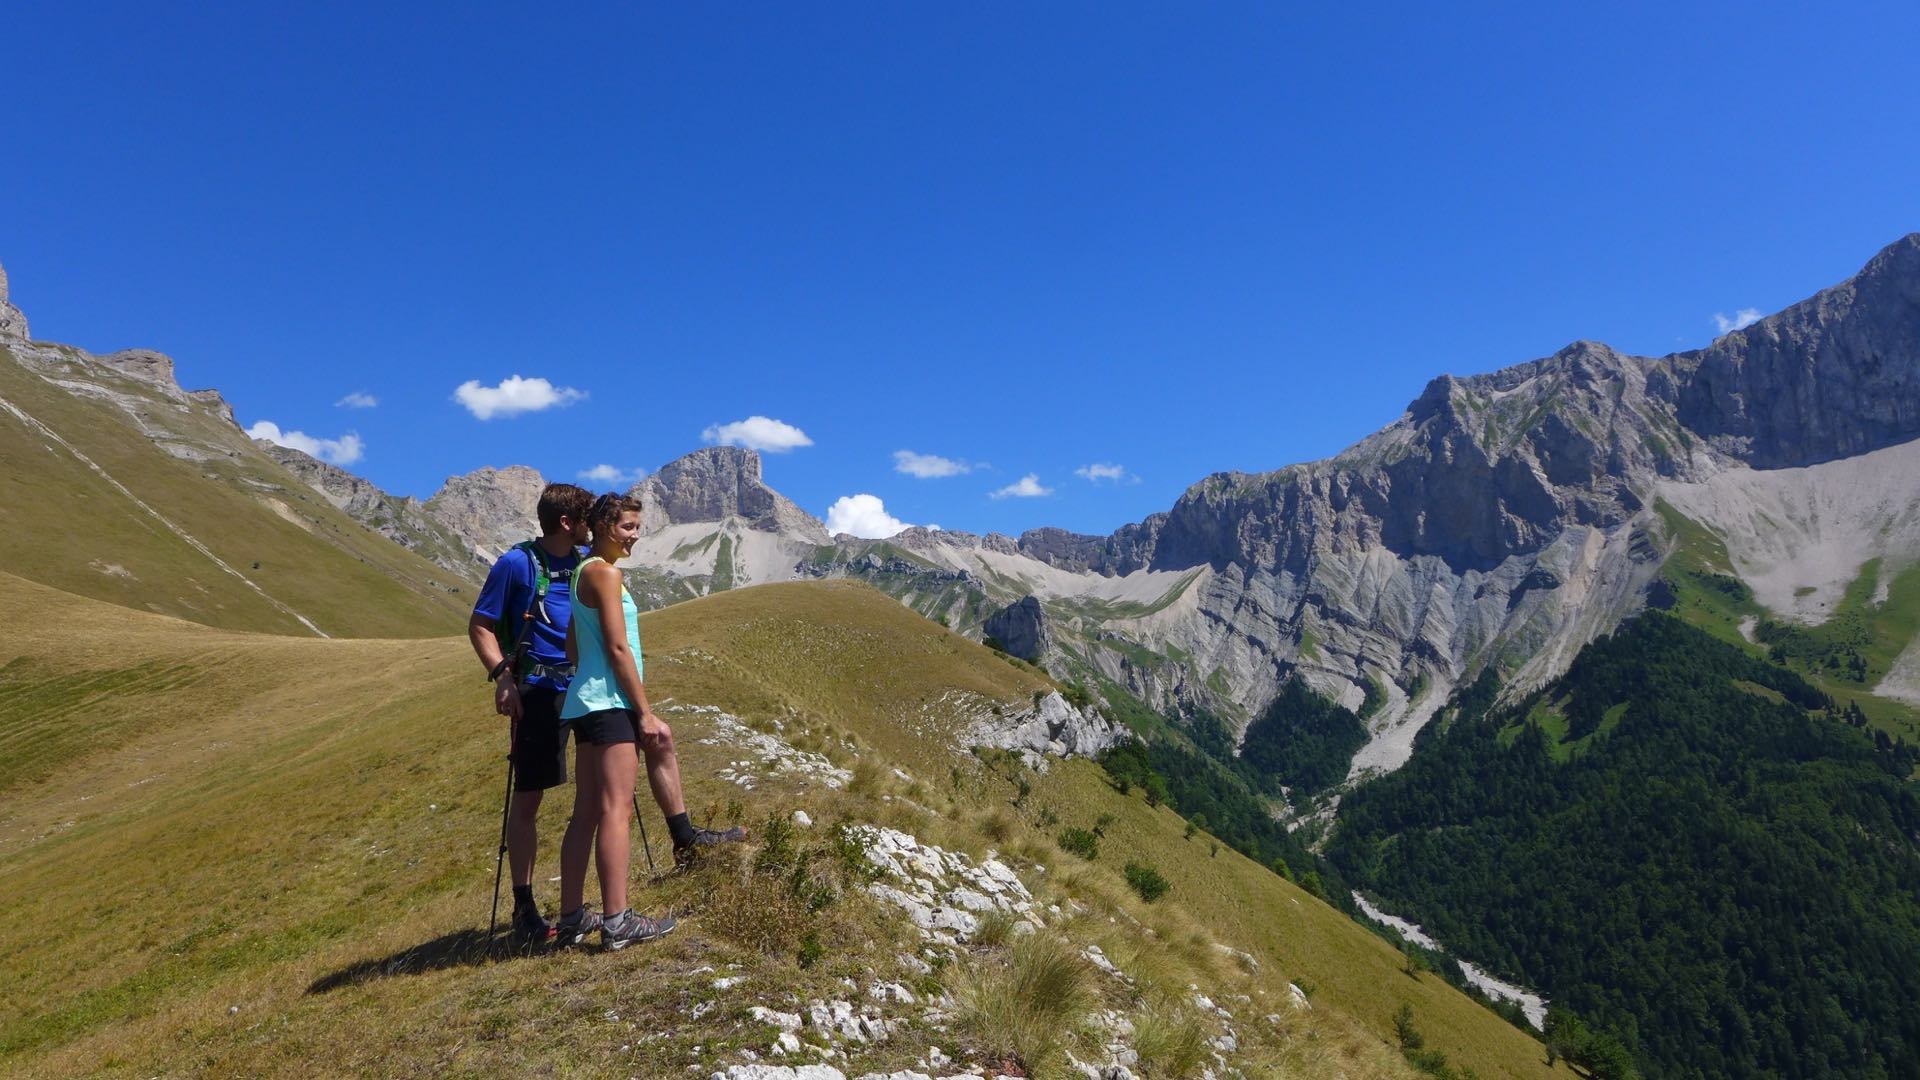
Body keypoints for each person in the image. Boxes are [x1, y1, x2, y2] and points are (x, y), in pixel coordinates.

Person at [554, 492, 746, 948]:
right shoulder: (605, 573)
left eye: (638, 527)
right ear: (603, 526)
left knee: (585, 814)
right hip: (609, 703)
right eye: (627, 527)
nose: (635, 536)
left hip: (585, 704)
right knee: (615, 810)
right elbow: (619, 649)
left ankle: (572, 918)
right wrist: (643, 711)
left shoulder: (583, 573)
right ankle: (618, 921)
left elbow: (571, 647)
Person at [468, 482, 593, 943]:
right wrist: (503, 677)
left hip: (582, 687)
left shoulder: (585, 564)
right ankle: (523, 906)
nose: (591, 526)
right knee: (529, 798)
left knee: (595, 789)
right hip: (538, 690)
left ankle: (576, 906)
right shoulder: (517, 563)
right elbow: (480, 625)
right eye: (585, 519)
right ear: (567, 523)